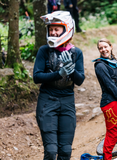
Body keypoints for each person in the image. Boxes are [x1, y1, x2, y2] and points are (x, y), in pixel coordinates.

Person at [33, 11, 85, 160]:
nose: (53, 32)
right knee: (50, 151)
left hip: (67, 101)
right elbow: (37, 77)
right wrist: (59, 73)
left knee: (66, 151)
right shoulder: (44, 51)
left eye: (57, 29)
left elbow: (80, 80)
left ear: (66, 28)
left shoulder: (76, 53)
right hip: (47, 101)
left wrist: (71, 69)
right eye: (51, 29)